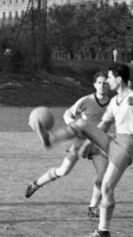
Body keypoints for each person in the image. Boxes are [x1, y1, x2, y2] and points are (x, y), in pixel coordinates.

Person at [31, 63, 133, 237]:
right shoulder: (113, 102)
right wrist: (90, 141)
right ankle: (49, 140)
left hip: (128, 144)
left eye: (109, 78)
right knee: (82, 124)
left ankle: (103, 232)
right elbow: (104, 125)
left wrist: (130, 98)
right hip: (113, 141)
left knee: (106, 186)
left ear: (119, 79)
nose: (107, 82)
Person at [24, 71, 111, 218]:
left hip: (98, 144)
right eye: (100, 83)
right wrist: (75, 127)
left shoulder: (114, 104)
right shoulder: (86, 101)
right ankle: (36, 183)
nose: (102, 85)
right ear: (95, 85)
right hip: (81, 140)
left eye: (105, 83)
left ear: (110, 85)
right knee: (64, 171)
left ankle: (92, 207)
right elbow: (68, 114)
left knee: (104, 176)